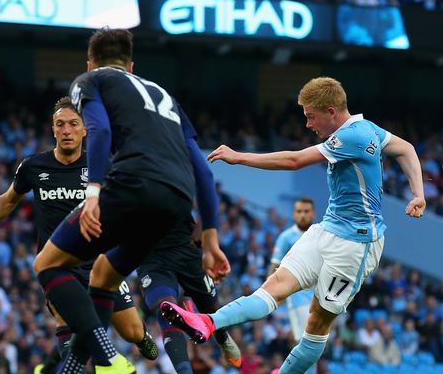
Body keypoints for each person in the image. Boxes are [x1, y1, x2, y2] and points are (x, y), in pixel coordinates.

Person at [161, 76, 426, 374]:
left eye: (311, 117)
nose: (308, 125)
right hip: (327, 229)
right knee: (274, 286)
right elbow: (406, 149)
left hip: (356, 245)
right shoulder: (369, 129)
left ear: (331, 111)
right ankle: (208, 322)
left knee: (316, 322)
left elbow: (295, 161)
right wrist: (418, 193)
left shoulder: (353, 136)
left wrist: (240, 157)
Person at [32, 28, 225, 374]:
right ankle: (74, 366)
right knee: (103, 275)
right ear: (131, 66)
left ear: (90, 62)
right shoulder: (164, 95)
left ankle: (106, 359)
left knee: (47, 263)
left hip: (133, 184)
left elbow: (101, 131)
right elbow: (203, 170)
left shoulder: (89, 81)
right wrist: (210, 237)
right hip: (178, 201)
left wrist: (93, 192)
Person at [0, 97, 158, 373]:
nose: (66, 130)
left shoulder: (102, 166)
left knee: (131, 331)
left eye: (73, 124)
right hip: (58, 263)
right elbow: (7, 200)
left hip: (100, 263)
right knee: (68, 325)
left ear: (84, 129)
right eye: (60, 125)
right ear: (53, 129)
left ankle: (142, 336)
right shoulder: (33, 167)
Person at [136, 113, 242, 372]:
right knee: (165, 308)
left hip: (185, 248)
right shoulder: (126, 163)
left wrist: (205, 232)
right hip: (150, 256)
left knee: (211, 306)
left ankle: (221, 336)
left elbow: (207, 193)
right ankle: (184, 370)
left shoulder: (177, 158)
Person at [268, 198, 317, 374]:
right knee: (309, 344)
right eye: (299, 211)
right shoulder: (286, 237)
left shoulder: (319, 234)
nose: (303, 215)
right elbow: (274, 267)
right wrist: (271, 295)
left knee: (316, 346)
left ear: (313, 213)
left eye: (306, 211)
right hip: (299, 299)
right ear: (293, 214)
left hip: (321, 298)